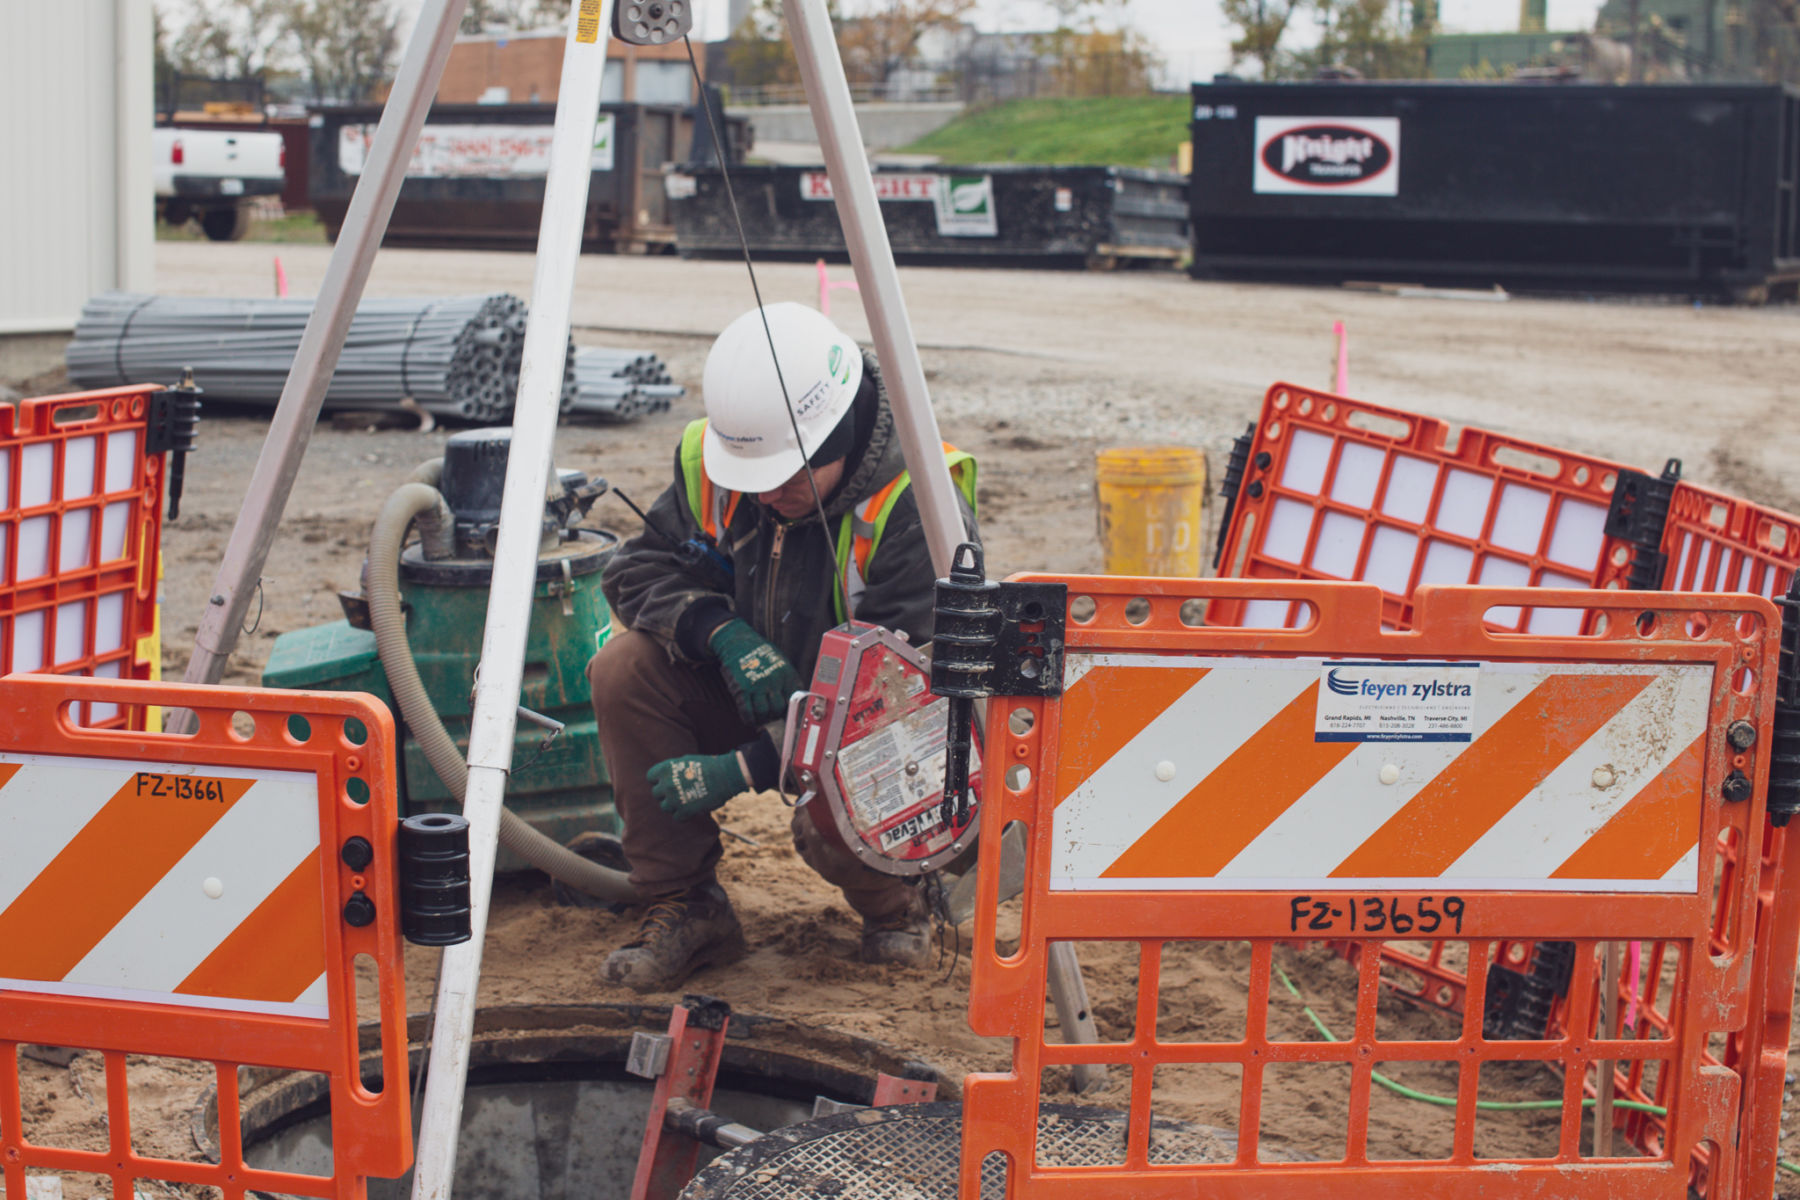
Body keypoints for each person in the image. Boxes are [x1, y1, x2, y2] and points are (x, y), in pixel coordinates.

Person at [588, 301, 979, 993]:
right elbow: (635, 569)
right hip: (756, 689)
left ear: (840, 438)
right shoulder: (727, 463)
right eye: (753, 477)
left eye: (788, 477)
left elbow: (911, 703)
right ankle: (687, 902)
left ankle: (900, 901)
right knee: (625, 670)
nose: (766, 494)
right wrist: (720, 631)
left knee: (825, 827)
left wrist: (750, 765)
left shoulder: (919, 502)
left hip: (882, 737)